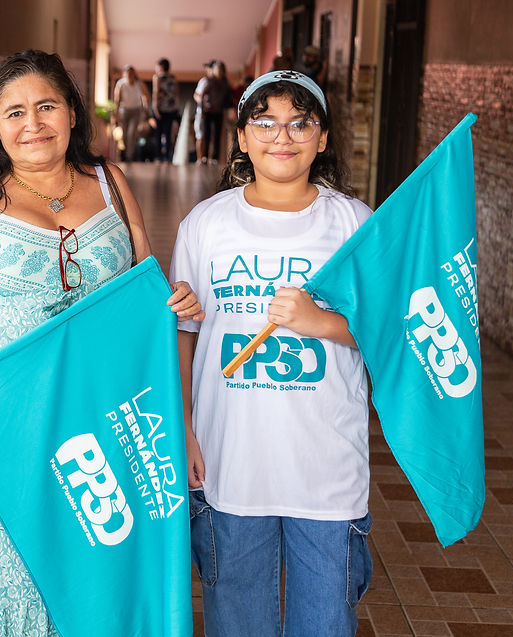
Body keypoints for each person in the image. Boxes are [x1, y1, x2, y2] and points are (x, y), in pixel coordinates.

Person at [0, 49, 204, 636]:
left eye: (47, 106)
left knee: (95, 566)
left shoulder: (110, 184)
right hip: (7, 429)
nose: (33, 124)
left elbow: (144, 291)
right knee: (3, 570)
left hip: (101, 424)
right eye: (15, 112)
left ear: (73, 114)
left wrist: (173, 301)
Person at [170, 70, 373, 636]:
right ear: (240, 136)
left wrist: (320, 322)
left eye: (299, 122)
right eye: (264, 122)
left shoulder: (352, 223)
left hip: (326, 468)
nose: (282, 136)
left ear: (323, 137)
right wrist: (185, 428)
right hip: (229, 461)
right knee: (238, 624)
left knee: (325, 624)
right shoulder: (206, 225)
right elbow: (184, 336)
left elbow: (385, 333)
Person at [113, 64, 150, 162]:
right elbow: (117, 100)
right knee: (125, 134)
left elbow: (146, 95)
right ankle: (125, 152)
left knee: (132, 133)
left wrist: (146, 107)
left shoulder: (139, 84)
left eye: (132, 73)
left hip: (136, 110)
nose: (130, 76)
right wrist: (116, 114)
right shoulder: (121, 84)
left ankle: (130, 155)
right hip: (124, 111)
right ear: (124, 74)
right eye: (128, 73)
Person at [200, 60, 233, 165]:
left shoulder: (225, 83)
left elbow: (229, 96)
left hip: (219, 111)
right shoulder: (209, 81)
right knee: (207, 134)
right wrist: (202, 109)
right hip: (208, 111)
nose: (219, 72)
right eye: (217, 70)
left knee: (217, 134)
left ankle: (215, 157)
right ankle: (204, 156)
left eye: (220, 70)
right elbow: (202, 95)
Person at [151, 57, 181, 162]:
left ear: (161, 67)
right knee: (168, 134)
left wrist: (155, 109)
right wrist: (176, 107)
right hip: (171, 109)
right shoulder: (173, 78)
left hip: (160, 109)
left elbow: (156, 92)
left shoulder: (157, 77)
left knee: (158, 133)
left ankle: (158, 157)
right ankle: (168, 157)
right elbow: (176, 94)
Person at [194, 61, 214, 164]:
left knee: (211, 136)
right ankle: (200, 159)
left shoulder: (219, 83)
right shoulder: (204, 81)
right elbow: (196, 95)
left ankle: (210, 158)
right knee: (200, 135)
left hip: (213, 113)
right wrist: (202, 102)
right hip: (202, 112)